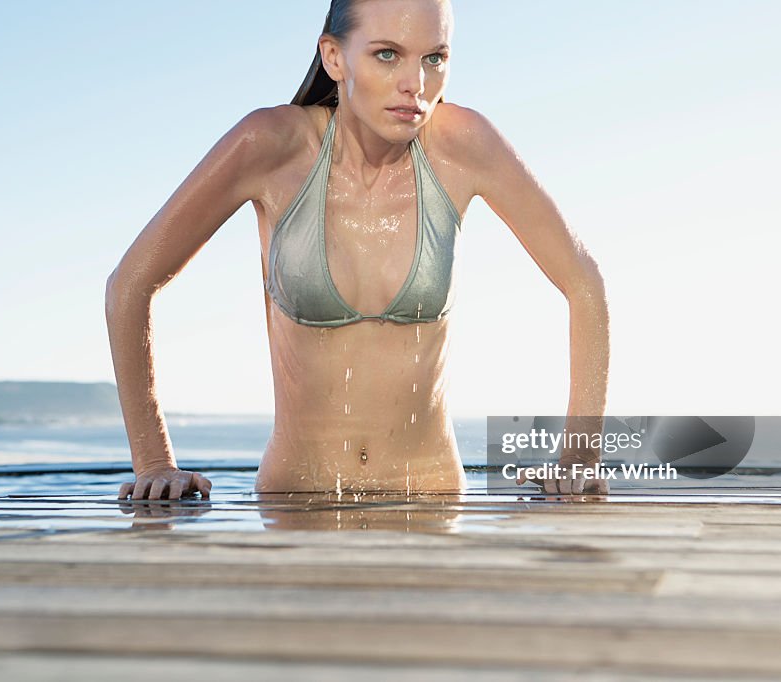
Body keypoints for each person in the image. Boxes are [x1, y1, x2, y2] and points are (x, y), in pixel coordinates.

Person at [108, 0, 610, 502]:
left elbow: (584, 282)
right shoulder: (269, 146)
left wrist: (579, 456)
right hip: (293, 503)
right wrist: (154, 462)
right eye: (388, 54)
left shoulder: (464, 145)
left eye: (435, 58)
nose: (416, 82)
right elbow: (129, 286)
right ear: (334, 57)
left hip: (430, 503)